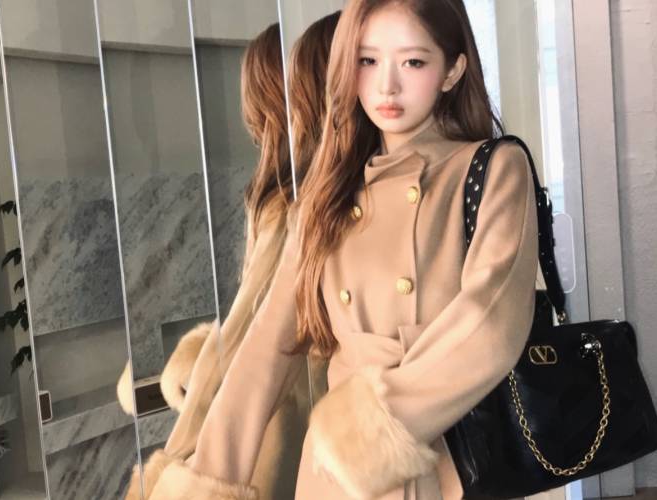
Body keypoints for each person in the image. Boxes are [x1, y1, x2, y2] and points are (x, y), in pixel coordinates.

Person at [148, 0, 538, 498]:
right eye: (367, 60)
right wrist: (207, 479)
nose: (387, 86)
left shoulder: (492, 168)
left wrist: (369, 433)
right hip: (334, 477)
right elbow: (267, 350)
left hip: (443, 461)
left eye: (413, 61)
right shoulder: (327, 194)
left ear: (452, 70)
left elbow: (492, 323)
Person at [121, 13, 341, 500]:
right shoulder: (302, 197)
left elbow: (250, 329)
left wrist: (182, 456)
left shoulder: (293, 203)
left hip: (282, 424)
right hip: (299, 418)